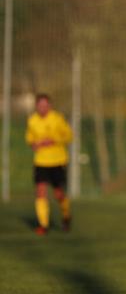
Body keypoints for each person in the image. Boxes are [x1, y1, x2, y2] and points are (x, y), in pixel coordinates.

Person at [26, 94, 73, 235]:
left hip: (57, 161)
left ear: (50, 106)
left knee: (59, 194)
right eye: (40, 105)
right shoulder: (32, 120)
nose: (42, 108)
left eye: (45, 105)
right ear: (36, 106)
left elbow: (69, 135)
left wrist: (53, 140)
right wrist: (34, 144)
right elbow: (29, 139)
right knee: (40, 191)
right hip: (41, 161)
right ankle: (43, 225)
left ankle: (66, 216)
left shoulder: (57, 118)